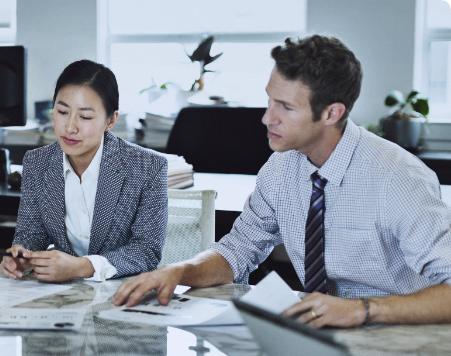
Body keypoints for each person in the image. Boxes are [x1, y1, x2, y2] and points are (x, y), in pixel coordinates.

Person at [113, 35, 451, 328]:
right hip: (320, 336)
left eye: (285, 107)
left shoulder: (398, 179)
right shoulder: (281, 168)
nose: (266, 118)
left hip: (401, 338)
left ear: (331, 113)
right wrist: (178, 272)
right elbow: (236, 251)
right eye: (270, 100)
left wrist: (362, 310)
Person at [1, 60, 168, 283]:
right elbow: (31, 235)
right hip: (59, 294)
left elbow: (146, 251)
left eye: (85, 117)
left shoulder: (148, 168)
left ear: (111, 120)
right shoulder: (36, 162)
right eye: (62, 112)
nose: (70, 127)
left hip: (121, 294)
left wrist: (83, 267)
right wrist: (22, 255)